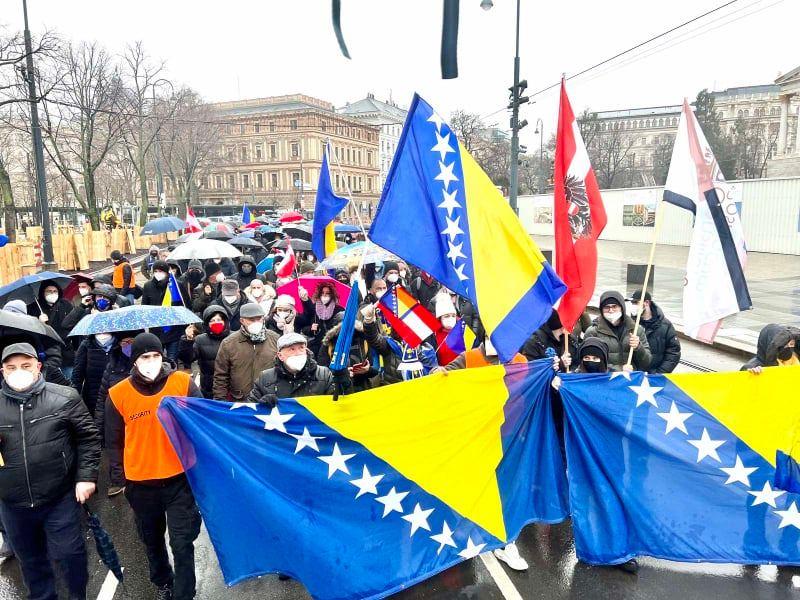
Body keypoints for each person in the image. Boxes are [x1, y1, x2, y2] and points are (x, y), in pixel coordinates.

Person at [0, 343, 100, 600]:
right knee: (31, 562)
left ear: (38, 367)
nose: (18, 372)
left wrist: (86, 476)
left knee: (69, 556)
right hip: (13, 504)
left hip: (59, 497)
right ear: (2, 371)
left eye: (25, 366)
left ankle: (77, 596)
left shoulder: (64, 398)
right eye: (11, 368)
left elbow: (88, 438)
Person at [106, 333, 202, 600]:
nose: (151, 361)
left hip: (180, 478)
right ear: (134, 361)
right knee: (152, 539)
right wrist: (119, 478)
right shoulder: (118, 393)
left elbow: (204, 420)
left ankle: (185, 593)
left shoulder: (182, 383)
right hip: (141, 482)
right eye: (145, 357)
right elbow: (113, 440)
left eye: (156, 356)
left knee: (182, 543)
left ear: (163, 356)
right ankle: (163, 582)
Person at [430, 333, 528, 571]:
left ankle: (506, 542)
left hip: (509, 433)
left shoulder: (521, 360)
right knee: (477, 483)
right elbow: (445, 373)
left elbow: (532, 387)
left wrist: (556, 368)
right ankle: (468, 529)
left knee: (505, 487)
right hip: (478, 432)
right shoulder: (469, 358)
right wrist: (438, 373)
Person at [95, 331, 140, 498]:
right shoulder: (112, 365)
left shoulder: (145, 363)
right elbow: (102, 396)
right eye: (124, 342)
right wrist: (98, 422)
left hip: (136, 413)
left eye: (132, 342)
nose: (128, 346)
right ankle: (117, 480)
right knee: (113, 446)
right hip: (115, 414)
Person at [213, 303, 280, 402]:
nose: (256, 322)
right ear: (242, 321)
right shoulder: (229, 343)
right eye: (252, 320)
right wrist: (220, 403)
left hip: (268, 401)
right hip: (239, 400)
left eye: (259, 319)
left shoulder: (275, 339)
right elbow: (221, 376)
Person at [247, 332, 336, 405]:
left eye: (301, 348)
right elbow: (249, 409)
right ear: (280, 356)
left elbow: (339, 403)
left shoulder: (323, 374)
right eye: (292, 349)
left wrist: (345, 381)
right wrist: (260, 404)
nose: (298, 353)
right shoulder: (265, 378)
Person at [361, 303, 438, 383]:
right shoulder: (389, 344)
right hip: (394, 390)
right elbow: (373, 339)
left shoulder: (426, 348)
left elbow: (433, 373)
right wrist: (369, 321)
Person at [584, 291, 651, 372]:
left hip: (631, 379)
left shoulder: (636, 329)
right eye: (606, 307)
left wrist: (638, 347)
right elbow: (588, 364)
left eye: (614, 306)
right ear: (601, 310)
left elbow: (647, 362)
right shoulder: (592, 332)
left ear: (622, 308)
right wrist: (619, 369)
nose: (611, 310)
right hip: (605, 380)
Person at [318, 313, 379, 392]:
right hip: (338, 391)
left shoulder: (363, 341)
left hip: (362, 390)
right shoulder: (328, 345)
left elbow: (374, 370)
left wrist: (367, 370)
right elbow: (322, 372)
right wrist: (342, 374)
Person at [26, 280, 75, 378]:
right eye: (49, 291)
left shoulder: (65, 305)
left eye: (54, 291)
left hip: (66, 351)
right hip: (47, 353)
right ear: (42, 293)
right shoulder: (33, 308)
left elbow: (72, 324)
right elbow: (29, 330)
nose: (52, 294)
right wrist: (38, 322)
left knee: (69, 380)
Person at [179, 306, 230, 399]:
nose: (216, 323)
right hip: (209, 388)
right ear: (207, 324)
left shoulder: (233, 338)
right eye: (212, 321)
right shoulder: (200, 339)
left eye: (219, 319)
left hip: (231, 389)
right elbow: (188, 358)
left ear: (225, 321)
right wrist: (188, 340)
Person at [628, 290, 681, 374]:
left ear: (647, 303)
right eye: (632, 303)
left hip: (656, 376)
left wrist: (660, 373)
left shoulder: (665, 325)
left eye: (635, 302)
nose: (633, 306)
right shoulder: (630, 324)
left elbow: (673, 352)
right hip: (635, 375)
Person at [142, 261, 183, 360]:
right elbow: (144, 307)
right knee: (157, 359)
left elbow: (184, 305)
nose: (158, 273)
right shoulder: (148, 286)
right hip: (156, 331)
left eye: (160, 271)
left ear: (166, 272)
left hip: (173, 329)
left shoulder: (176, 286)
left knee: (171, 360)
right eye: (155, 271)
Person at [71, 328, 116, 417]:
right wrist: (74, 399)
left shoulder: (120, 345)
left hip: (115, 398)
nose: (102, 334)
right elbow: (77, 375)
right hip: (92, 399)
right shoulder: (86, 345)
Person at [303, 281, 345, 358]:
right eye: (322, 293)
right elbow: (304, 327)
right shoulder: (314, 308)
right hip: (316, 348)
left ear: (332, 294)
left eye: (328, 293)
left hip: (333, 348)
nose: (324, 295)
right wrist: (311, 329)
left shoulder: (338, 310)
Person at [432, 292, 461, 366]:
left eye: (453, 316)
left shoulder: (463, 329)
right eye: (446, 316)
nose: (450, 318)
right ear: (440, 318)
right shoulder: (433, 334)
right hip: (443, 373)